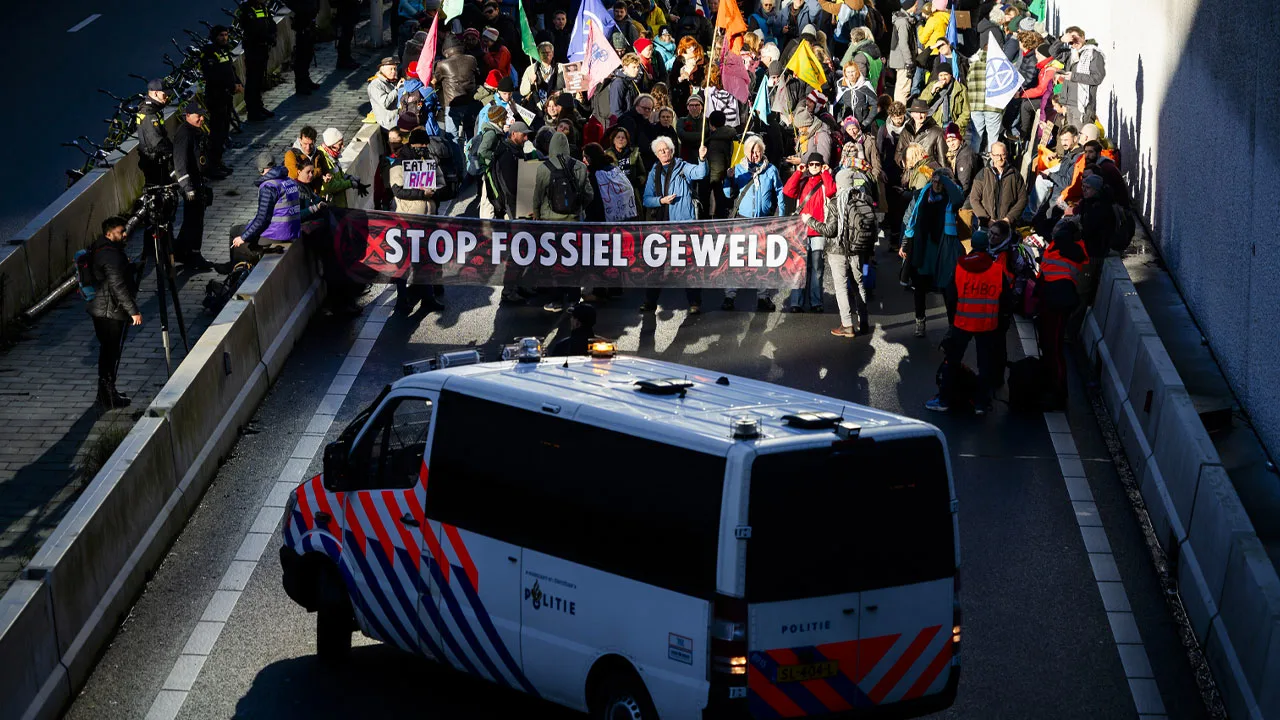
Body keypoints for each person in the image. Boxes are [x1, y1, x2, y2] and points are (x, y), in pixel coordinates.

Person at [926, 220, 1012, 415]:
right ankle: (981, 403)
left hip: (962, 322)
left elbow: (950, 295)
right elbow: (1005, 299)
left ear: (972, 245)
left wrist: (953, 318)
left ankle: (944, 399)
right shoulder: (996, 270)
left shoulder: (960, 267)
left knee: (952, 361)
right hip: (987, 324)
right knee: (985, 365)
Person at [804, 168, 878, 336]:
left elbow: (830, 230)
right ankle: (864, 321)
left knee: (841, 286)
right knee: (858, 285)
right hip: (858, 250)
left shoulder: (835, 202)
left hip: (838, 251)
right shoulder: (864, 199)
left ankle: (847, 325)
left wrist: (810, 220)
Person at [641, 137, 708, 313]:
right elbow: (646, 199)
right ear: (656, 154)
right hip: (662, 225)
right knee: (656, 266)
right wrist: (660, 200)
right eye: (660, 151)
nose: (664, 152)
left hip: (684, 224)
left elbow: (700, 173)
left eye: (667, 149)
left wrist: (701, 159)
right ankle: (650, 302)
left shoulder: (683, 167)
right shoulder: (653, 171)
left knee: (689, 265)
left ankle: (694, 302)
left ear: (672, 150)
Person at [722, 134, 785, 312]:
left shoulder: (771, 169)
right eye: (751, 152)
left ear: (762, 152)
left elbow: (779, 191)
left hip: (763, 221)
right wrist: (728, 178)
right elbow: (728, 193)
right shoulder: (739, 169)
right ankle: (730, 296)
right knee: (736, 258)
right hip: (742, 220)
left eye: (757, 152)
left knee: (762, 260)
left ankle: (763, 297)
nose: (754, 155)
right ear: (745, 152)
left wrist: (781, 215)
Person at [901, 167, 965, 337]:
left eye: (940, 182)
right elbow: (911, 220)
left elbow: (959, 198)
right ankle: (920, 321)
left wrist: (946, 180)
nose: (937, 184)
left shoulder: (951, 197)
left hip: (943, 248)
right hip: (923, 246)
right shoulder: (923, 194)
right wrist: (905, 243)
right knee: (920, 286)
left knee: (947, 288)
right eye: (935, 181)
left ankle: (953, 326)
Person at [390, 129, 448, 314]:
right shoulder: (399, 163)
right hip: (407, 220)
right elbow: (398, 190)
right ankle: (401, 299)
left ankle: (428, 298)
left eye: (425, 146)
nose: (423, 149)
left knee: (426, 260)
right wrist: (422, 193)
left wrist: (434, 191)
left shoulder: (429, 161)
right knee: (404, 262)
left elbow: (441, 181)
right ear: (412, 145)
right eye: (420, 146)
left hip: (428, 219)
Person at [87, 216, 142, 409]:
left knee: (109, 351)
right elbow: (117, 285)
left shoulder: (103, 248)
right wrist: (133, 311)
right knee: (110, 353)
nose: (125, 234)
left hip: (104, 309)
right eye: (121, 232)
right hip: (109, 312)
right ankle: (108, 394)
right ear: (109, 233)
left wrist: (132, 267)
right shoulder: (109, 255)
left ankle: (106, 392)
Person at [1036, 220, 1087, 410]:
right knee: (1049, 346)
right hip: (1052, 300)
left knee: (1054, 348)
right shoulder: (1063, 247)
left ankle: (1058, 393)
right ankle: (1052, 386)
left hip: (1057, 303)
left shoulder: (1066, 247)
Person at [782, 152, 837, 313]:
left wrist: (826, 172)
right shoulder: (803, 180)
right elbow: (787, 191)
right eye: (811, 164)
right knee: (799, 267)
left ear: (821, 166)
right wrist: (798, 172)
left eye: (817, 165)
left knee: (817, 268)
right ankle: (796, 302)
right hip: (802, 231)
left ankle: (816, 301)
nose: (813, 167)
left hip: (819, 230)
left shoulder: (825, 181)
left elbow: (831, 192)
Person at [172, 102, 214, 272]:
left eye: (202, 115)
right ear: (188, 115)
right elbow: (180, 163)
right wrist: (188, 187)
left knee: (194, 219)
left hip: (198, 182)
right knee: (194, 220)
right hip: (191, 185)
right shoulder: (185, 134)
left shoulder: (194, 131)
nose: (202, 118)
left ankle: (184, 252)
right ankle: (193, 255)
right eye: (198, 116)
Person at [233, 153, 301, 253]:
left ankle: (238, 266)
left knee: (235, 232)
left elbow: (262, 219)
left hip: (276, 234)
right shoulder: (289, 181)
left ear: (260, 170)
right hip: (293, 231)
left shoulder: (269, 186)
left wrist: (243, 238)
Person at [198, 25, 240, 178]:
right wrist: (231, 85)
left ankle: (218, 161)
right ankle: (211, 167)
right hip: (216, 97)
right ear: (215, 36)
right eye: (221, 35)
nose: (225, 38)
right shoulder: (209, 52)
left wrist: (238, 82)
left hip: (226, 97)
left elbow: (230, 69)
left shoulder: (224, 50)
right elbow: (213, 76)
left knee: (223, 132)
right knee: (216, 134)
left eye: (226, 35)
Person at [533, 131, 594, 221]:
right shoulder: (581, 167)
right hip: (574, 218)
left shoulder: (543, 168)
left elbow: (538, 196)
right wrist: (578, 206)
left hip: (549, 218)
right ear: (567, 146)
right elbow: (589, 194)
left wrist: (536, 213)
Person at [1056, 26, 1106, 128]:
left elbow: (1097, 78)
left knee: (1080, 140)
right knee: (1071, 140)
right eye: (1071, 41)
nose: (1074, 43)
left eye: (1076, 38)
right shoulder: (1072, 53)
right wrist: (1061, 40)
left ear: (1083, 36)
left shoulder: (1093, 53)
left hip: (1083, 106)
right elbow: (1053, 52)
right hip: (1069, 103)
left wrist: (1074, 76)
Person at [236, 0, 277, 120]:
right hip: (253, 49)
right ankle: (252, 111)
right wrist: (267, 37)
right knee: (252, 81)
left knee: (259, 79)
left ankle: (259, 106)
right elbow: (253, 29)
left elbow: (271, 23)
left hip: (263, 48)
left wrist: (272, 35)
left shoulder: (263, 8)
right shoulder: (247, 11)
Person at [968, 141, 1027, 226]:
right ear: (991, 155)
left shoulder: (1015, 174)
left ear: (1006, 154)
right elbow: (974, 199)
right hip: (986, 226)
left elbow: (1023, 199)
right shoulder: (983, 174)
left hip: (1008, 226)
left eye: (1002, 155)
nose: (1000, 158)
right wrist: (987, 220)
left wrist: (1008, 219)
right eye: (996, 155)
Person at [437, 37, 482, 141]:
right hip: (470, 101)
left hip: (452, 103)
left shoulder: (442, 64)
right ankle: (471, 156)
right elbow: (478, 75)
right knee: (471, 133)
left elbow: (436, 80)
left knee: (452, 137)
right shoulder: (471, 59)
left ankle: (457, 156)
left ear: (445, 51)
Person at [137, 79, 174, 187]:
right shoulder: (149, 113)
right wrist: (173, 153)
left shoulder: (154, 109)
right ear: (155, 93)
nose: (167, 97)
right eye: (164, 95)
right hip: (153, 160)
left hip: (155, 157)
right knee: (158, 189)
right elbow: (155, 141)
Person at [919, 66, 969, 136]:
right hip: (934, 124)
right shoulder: (931, 86)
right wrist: (932, 91)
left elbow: (966, 111)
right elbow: (920, 104)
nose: (943, 78)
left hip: (952, 124)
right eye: (941, 75)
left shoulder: (960, 89)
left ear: (950, 75)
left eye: (946, 75)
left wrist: (957, 125)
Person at [896, 98, 946, 169]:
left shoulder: (938, 132)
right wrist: (905, 162)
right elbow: (898, 153)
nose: (919, 116)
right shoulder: (906, 131)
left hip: (928, 175)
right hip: (908, 176)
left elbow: (942, 160)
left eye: (922, 112)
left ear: (927, 113)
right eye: (916, 112)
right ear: (911, 114)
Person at [604, 126, 648, 207]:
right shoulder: (606, 155)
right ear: (613, 140)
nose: (621, 139)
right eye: (618, 137)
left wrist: (637, 182)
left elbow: (643, 174)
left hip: (632, 193)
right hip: (613, 194)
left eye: (623, 137)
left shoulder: (635, 153)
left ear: (627, 140)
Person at [286, 0, 319, 95]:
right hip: (302, 22)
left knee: (309, 53)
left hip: (309, 20)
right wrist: (304, 10)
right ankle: (300, 84)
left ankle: (306, 79)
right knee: (302, 55)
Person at [520, 42, 563, 107]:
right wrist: (531, 82)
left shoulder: (561, 67)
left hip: (557, 106)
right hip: (538, 107)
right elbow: (522, 91)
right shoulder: (531, 69)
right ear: (538, 54)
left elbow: (569, 88)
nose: (546, 55)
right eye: (543, 53)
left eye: (548, 52)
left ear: (553, 53)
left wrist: (560, 92)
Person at [369, 58, 403, 136]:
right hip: (388, 126)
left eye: (395, 69)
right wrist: (396, 90)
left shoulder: (391, 81)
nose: (394, 72)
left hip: (396, 122)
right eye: (391, 69)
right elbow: (384, 103)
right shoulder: (376, 84)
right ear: (382, 70)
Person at [334, 0, 361, 69]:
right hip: (346, 8)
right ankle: (344, 59)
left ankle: (345, 58)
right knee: (346, 34)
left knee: (347, 33)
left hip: (347, 8)